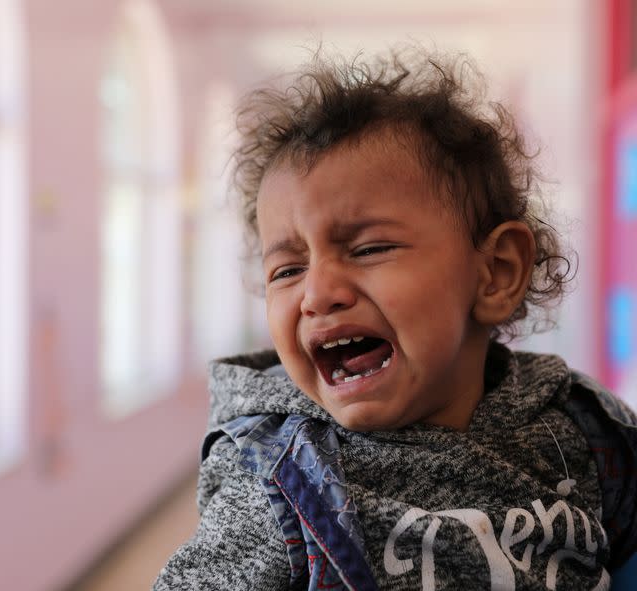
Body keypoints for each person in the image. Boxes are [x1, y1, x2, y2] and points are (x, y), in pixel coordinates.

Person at [153, 48, 637, 590]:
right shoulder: (279, 478)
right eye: (287, 269)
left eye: (368, 249)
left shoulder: (584, 429)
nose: (318, 293)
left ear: (496, 272)